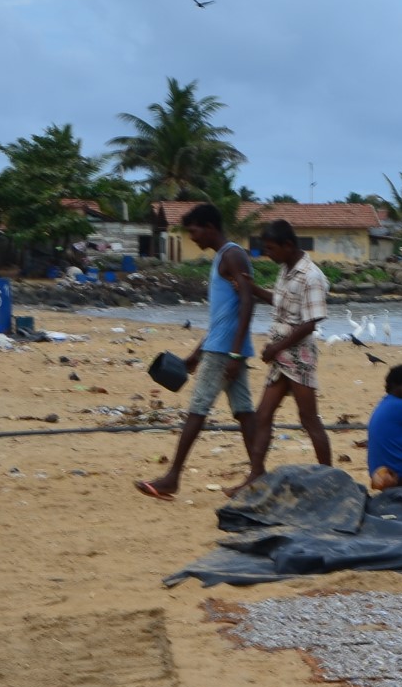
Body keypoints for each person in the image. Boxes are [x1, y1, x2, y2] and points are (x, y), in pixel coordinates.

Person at [136, 203, 257, 501]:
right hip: (223, 348)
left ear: (210, 227)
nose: (192, 237)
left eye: (194, 231)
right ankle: (259, 475)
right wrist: (195, 354)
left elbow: (248, 302)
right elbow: (224, 317)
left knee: (197, 410)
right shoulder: (225, 257)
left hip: (225, 352)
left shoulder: (231, 255)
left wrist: (235, 355)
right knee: (243, 412)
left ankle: (173, 477)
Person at [228, 220, 333, 496]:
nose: (268, 254)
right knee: (263, 415)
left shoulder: (312, 276)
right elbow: (280, 302)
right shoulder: (286, 270)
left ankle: (330, 479)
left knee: (308, 419)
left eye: (271, 249)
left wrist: (276, 348)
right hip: (280, 353)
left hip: (298, 355)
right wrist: (251, 289)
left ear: (288, 246)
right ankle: (255, 475)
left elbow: (311, 323)